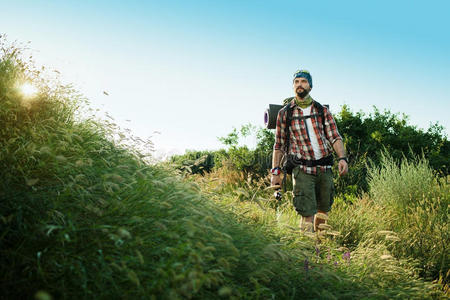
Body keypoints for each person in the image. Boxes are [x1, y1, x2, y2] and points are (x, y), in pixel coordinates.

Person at [270, 69, 348, 232]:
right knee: (307, 215)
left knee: (323, 213)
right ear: (293, 87)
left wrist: (342, 158)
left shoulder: (322, 111)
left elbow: (335, 137)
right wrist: (275, 172)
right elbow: (279, 145)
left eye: (304, 81)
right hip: (302, 169)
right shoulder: (285, 113)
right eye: (296, 82)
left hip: (324, 168)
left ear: (310, 86)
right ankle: (306, 253)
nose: (300, 84)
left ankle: (320, 250)